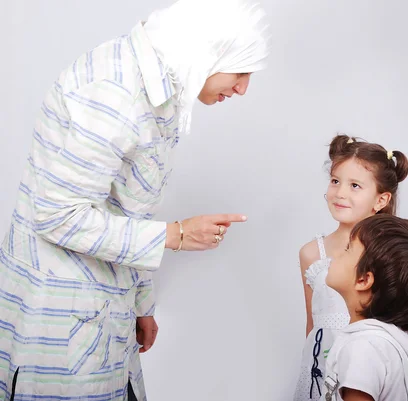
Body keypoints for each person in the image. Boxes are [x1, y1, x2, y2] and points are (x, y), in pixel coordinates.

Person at [0, 0, 269, 399]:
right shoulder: (115, 94)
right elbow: (57, 216)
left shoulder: (153, 85)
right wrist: (175, 235)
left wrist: (141, 302)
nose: (243, 87)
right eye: (241, 70)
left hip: (105, 311)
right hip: (65, 318)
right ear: (207, 50)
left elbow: (126, 206)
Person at [294, 134, 408, 400]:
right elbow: (313, 326)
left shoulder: (391, 252)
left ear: (380, 200)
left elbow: (407, 326)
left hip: (367, 373)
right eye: (335, 181)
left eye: (355, 185)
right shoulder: (312, 253)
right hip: (320, 370)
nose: (340, 193)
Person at [321, 214, 408, 401]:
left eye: (348, 249)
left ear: (364, 280)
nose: (337, 253)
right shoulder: (388, 342)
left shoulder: (362, 349)